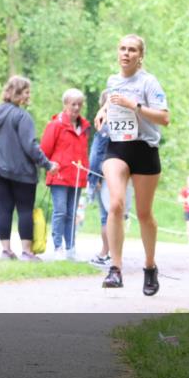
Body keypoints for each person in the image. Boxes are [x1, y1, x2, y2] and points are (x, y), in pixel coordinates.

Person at [94, 34, 170, 294]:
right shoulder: (113, 81)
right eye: (123, 49)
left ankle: (150, 267)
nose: (126, 53)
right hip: (117, 147)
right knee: (115, 203)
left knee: (144, 214)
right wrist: (102, 111)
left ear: (140, 56)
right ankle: (115, 268)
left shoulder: (149, 82)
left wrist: (134, 105)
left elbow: (164, 118)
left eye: (132, 50)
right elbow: (110, 103)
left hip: (144, 148)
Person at [0, 76, 59, 262]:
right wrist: (48, 165)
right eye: (26, 92)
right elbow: (30, 146)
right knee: (25, 210)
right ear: (17, 93)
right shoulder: (22, 116)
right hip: (23, 173)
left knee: (4, 209)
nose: (28, 96)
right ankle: (27, 252)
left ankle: (6, 251)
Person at [41, 88, 90, 260]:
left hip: (77, 178)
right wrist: (51, 166)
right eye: (73, 104)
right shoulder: (55, 125)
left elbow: (84, 153)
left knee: (72, 214)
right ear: (65, 105)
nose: (76, 108)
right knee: (60, 211)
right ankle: (58, 248)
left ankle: (71, 248)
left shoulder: (84, 127)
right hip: (59, 177)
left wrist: (86, 173)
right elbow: (44, 151)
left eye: (79, 104)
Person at [87, 91, 114, 267]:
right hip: (114, 176)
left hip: (103, 177)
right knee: (112, 215)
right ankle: (110, 252)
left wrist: (93, 177)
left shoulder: (104, 128)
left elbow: (97, 155)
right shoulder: (118, 128)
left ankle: (105, 253)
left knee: (106, 216)